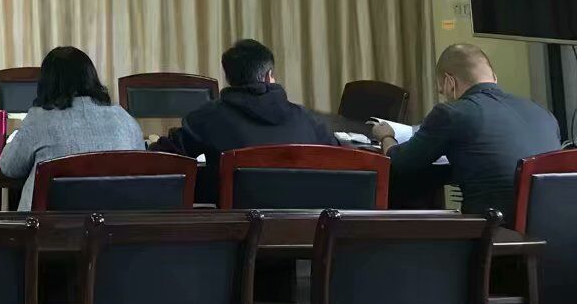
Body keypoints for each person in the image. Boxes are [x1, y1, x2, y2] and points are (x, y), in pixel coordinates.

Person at [374, 43, 561, 221]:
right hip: (551, 229)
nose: (444, 95)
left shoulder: (451, 113)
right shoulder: (543, 113)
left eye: (442, 90)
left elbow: (400, 163)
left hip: (493, 230)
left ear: (450, 82)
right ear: (494, 77)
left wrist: (386, 136)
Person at [154, 38, 337, 203]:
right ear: (269, 76)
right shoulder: (306, 119)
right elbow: (342, 159)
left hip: (236, 226)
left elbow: (162, 158)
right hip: (306, 226)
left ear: (229, 78)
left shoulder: (208, 118)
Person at [0, 46, 144, 209]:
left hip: (48, 223)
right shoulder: (123, 118)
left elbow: (10, 167)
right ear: (91, 77)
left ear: (47, 83)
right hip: (114, 222)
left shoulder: (39, 119)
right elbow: (141, 167)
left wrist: (12, 140)